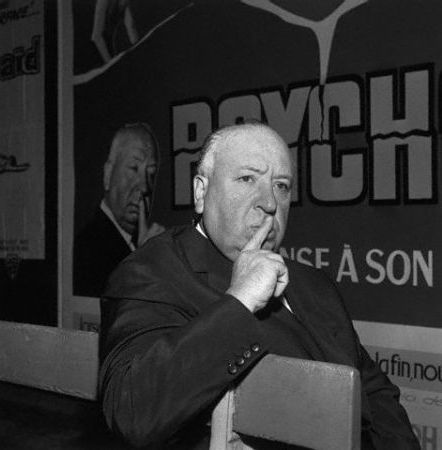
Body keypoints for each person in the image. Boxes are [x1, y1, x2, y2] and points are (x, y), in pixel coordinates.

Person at [99, 122, 419, 449]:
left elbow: (377, 396)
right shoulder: (152, 272)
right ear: (201, 192)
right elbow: (131, 410)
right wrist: (241, 300)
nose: (269, 202)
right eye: (247, 179)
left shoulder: (314, 283)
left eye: (281, 185)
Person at [73, 122, 164, 298]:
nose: (144, 187)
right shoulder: (89, 248)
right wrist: (145, 260)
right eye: (133, 169)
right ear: (108, 174)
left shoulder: (137, 242)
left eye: (151, 174)